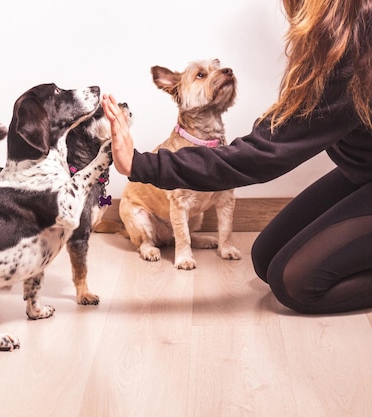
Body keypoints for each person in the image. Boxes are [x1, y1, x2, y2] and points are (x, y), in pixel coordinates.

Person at [101, 0, 372, 314]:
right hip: (362, 173)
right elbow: (278, 132)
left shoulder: (357, 50)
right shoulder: (337, 39)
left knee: (294, 284)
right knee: (265, 257)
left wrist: (139, 163)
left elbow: (261, 155)